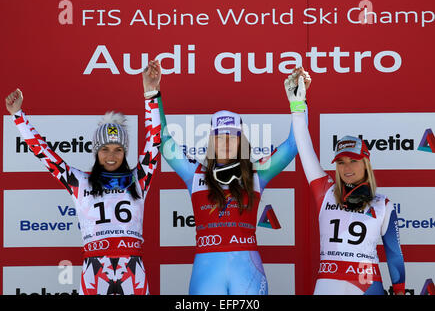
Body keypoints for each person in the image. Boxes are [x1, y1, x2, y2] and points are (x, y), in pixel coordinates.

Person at [143, 60, 309, 295]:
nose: (227, 142)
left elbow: (294, 145)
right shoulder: (195, 173)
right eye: (220, 137)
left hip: (248, 274)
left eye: (233, 136)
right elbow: (163, 140)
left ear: (242, 141)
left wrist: (298, 102)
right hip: (206, 275)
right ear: (211, 141)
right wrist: (152, 93)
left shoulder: (257, 173)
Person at [4, 67, 161, 295]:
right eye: (104, 149)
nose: (111, 155)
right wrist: (18, 117)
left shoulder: (139, 179)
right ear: (96, 152)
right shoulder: (80, 182)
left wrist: (151, 94)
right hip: (94, 271)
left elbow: (154, 141)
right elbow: (46, 154)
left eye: (118, 149)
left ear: (125, 152)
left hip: (132, 269)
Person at [286, 69, 405, 295]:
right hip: (328, 284)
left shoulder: (383, 204)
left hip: (369, 286)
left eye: (353, 161)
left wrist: (400, 291)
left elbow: (394, 253)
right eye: (340, 162)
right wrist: (298, 106)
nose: (346, 168)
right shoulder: (325, 192)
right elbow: (304, 146)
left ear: (366, 164)